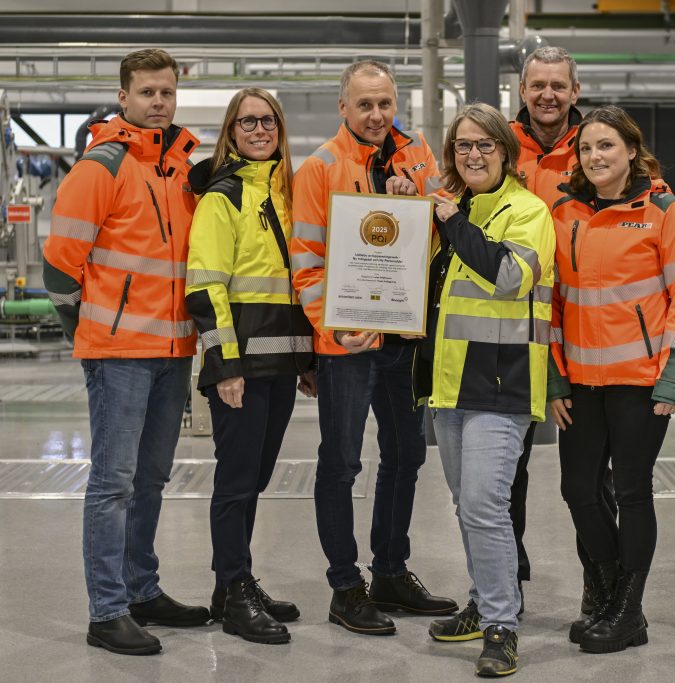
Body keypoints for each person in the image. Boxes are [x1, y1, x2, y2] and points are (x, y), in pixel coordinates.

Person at [42, 48, 209, 656]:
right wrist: (90, 334)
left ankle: (142, 590)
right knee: (113, 483)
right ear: (124, 97)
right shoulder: (101, 167)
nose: (159, 102)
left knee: (152, 478)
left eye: (167, 92)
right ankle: (107, 611)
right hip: (118, 354)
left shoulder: (180, 169)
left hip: (174, 349)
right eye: (147, 92)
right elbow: (59, 268)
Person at [290, 59, 457, 635]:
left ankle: (390, 571)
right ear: (343, 107)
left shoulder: (419, 154)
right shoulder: (319, 168)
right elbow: (306, 263)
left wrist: (419, 202)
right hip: (348, 344)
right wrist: (333, 328)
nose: (377, 114)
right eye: (365, 104)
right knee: (341, 463)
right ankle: (345, 587)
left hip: (403, 337)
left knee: (407, 455)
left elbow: (446, 226)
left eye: (385, 103)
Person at [547, 105, 675, 654]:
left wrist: (673, 378)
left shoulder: (664, 211)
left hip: (640, 380)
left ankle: (628, 610)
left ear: (632, 151)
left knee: (632, 492)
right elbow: (551, 300)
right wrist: (554, 376)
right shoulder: (563, 211)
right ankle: (611, 588)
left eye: (606, 145)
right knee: (578, 490)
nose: (595, 156)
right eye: (586, 148)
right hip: (580, 380)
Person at [419, 102, 555, 678]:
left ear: (505, 151)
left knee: (483, 505)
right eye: (463, 145)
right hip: (450, 384)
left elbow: (508, 278)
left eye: (484, 144)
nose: (473, 154)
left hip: (502, 383)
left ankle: (502, 624)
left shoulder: (528, 211)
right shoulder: (453, 210)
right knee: (467, 505)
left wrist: (451, 221)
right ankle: (482, 602)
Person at [185, 88, 315, 644]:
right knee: (237, 481)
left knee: (256, 478)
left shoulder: (287, 194)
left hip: (281, 364)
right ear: (231, 133)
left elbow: (297, 282)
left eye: (268, 121)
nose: (259, 130)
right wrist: (225, 365)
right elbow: (205, 286)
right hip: (240, 368)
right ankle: (236, 593)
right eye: (248, 122)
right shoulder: (224, 197)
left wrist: (306, 359)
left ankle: (231, 584)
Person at [507, 44, 595, 615]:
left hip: (583, 330)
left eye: (558, 86)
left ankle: (600, 580)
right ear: (522, 90)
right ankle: (504, 582)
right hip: (511, 329)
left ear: (575, 91)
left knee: (587, 477)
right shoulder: (498, 144)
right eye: (538, 85)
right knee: (503, 473)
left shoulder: (599, 144)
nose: (547, 95)